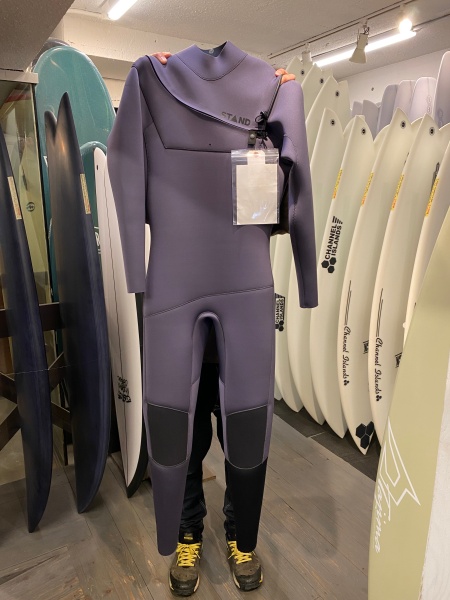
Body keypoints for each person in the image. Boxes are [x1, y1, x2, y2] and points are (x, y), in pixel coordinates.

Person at [148, 51, 295, 597]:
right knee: (184, 442)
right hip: (180, 325)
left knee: (244, 439)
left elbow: (282, 213)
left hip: (241, 328)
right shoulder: (160, 96)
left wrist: (278, 111)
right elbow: (131, 178)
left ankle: (240, 534)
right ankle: (188, 532)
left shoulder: (263, 113)